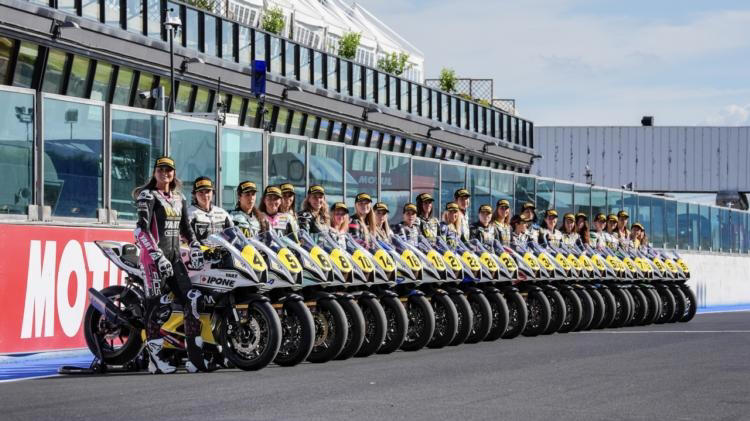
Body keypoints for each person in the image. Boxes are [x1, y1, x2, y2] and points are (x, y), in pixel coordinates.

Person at [133, 156, 209, 374]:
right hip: (153, 260)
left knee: (193, 300)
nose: (165, 173)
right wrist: (158, 257)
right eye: (161, 169)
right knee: (157, 307)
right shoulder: (147, 196)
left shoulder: (179, 197)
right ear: (155, 172)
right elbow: (140, 231)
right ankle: (154, 361)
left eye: (169, 170)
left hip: (175, 259)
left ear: (174, 174)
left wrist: (195, 246)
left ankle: (195, 359)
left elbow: (186, 229)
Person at [187, 176, 233, 244]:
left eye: (208, 191)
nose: (205, 195)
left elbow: (233, 235)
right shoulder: (189, 213)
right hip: (200, 253)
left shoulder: (222, 213)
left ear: (213, 193)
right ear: (194, 194)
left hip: (222, 253)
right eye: (201, 192)